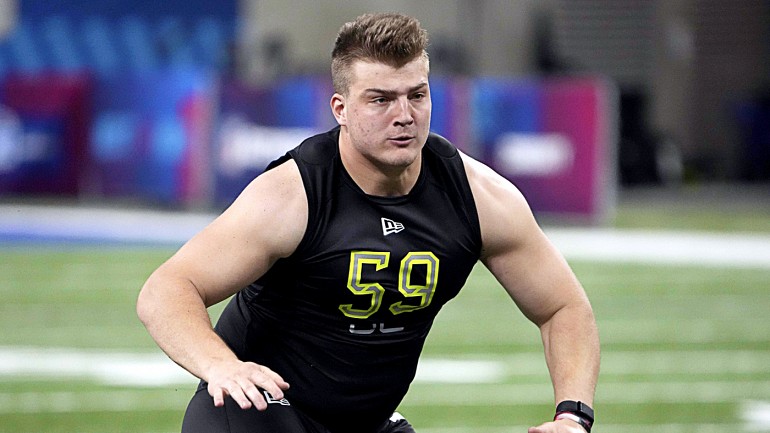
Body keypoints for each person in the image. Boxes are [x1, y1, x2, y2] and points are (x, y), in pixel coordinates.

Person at [137, 12, 600, 433]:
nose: (404, 116)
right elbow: (167, 288)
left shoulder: (477, 196)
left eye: (416, 95)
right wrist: (220, 366)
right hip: (260, 409)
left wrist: (572, 416)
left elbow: (563, 307)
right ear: (340, 109)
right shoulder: (293, 194)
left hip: (367, 422)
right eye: (380, 99)